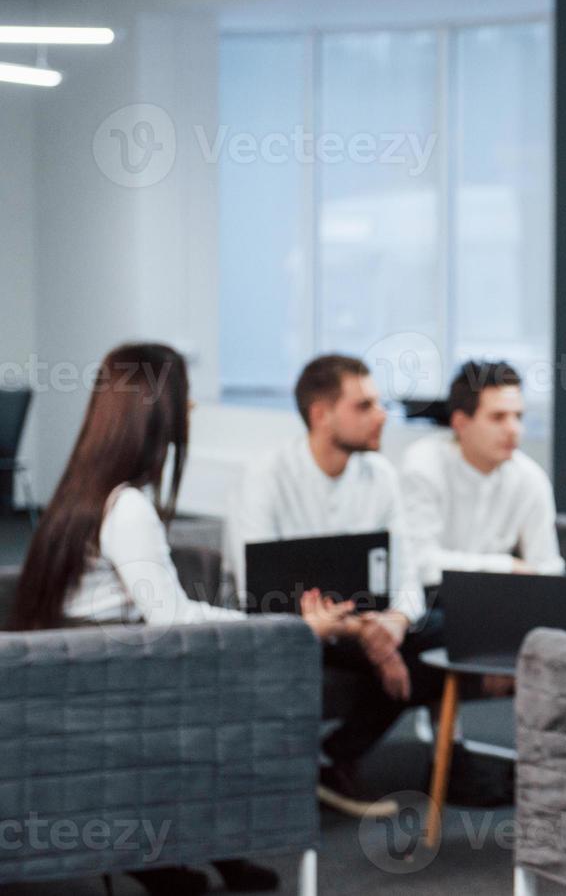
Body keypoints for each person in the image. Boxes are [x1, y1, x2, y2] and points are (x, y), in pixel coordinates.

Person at [7, 344, 350, 896]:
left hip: (83, 682)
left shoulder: (80, 493)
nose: (190, 412)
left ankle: (193, 854)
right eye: (184, 399)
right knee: (240, 691)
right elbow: (171, 616)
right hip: (114, 687)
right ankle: (208, 848)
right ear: (156, 411)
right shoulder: (128, 508)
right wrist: (285, 630)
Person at [232, 354, 440, 819]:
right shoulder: (266, 476)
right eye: (364, 405)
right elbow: (258, 593)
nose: (382, 415)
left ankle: (332, 757)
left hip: (364, 625)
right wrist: (366, 634)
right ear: (322, 415)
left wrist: (395, 623)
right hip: (292, 630)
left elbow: (408, 577)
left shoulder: (381, 476)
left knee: (443, 632)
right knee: (378, 646)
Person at [401, 360, 565, 593]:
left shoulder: (530, 477)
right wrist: (506, 567)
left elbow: (547, 568)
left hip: (500, 602)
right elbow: (419, 563)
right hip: (434, 603)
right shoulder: (424, 466)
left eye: (518, 416)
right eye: (498, 417)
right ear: (460, 423)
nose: (514, 429)